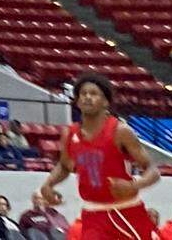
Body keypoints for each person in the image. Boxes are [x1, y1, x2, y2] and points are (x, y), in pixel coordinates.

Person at [40, 73, 159, 240]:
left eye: (94, 94)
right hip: (93, 213)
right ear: (77, 100)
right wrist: (49, 184)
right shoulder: (70, 133)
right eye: (83, 94)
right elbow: (65, 166)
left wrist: (134, 184)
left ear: (106, 102)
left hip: (126, 210)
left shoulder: (121, 131)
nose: (87, 97)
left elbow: (152, 170)